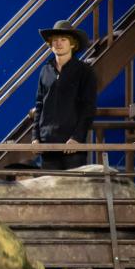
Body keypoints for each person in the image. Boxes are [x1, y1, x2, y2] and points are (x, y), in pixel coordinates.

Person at [32, 20, 98, 170]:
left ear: (72, 44)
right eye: (55, 40)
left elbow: (88, 107)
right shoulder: (45, 71)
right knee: (49, 191)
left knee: (74, 191)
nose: (58, 43)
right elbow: (39, 105)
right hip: (47, 144)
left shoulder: (84, 71)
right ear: (50, 43)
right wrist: (35, 137)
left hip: (72, 146)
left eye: (63, 39)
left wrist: (77, 137)